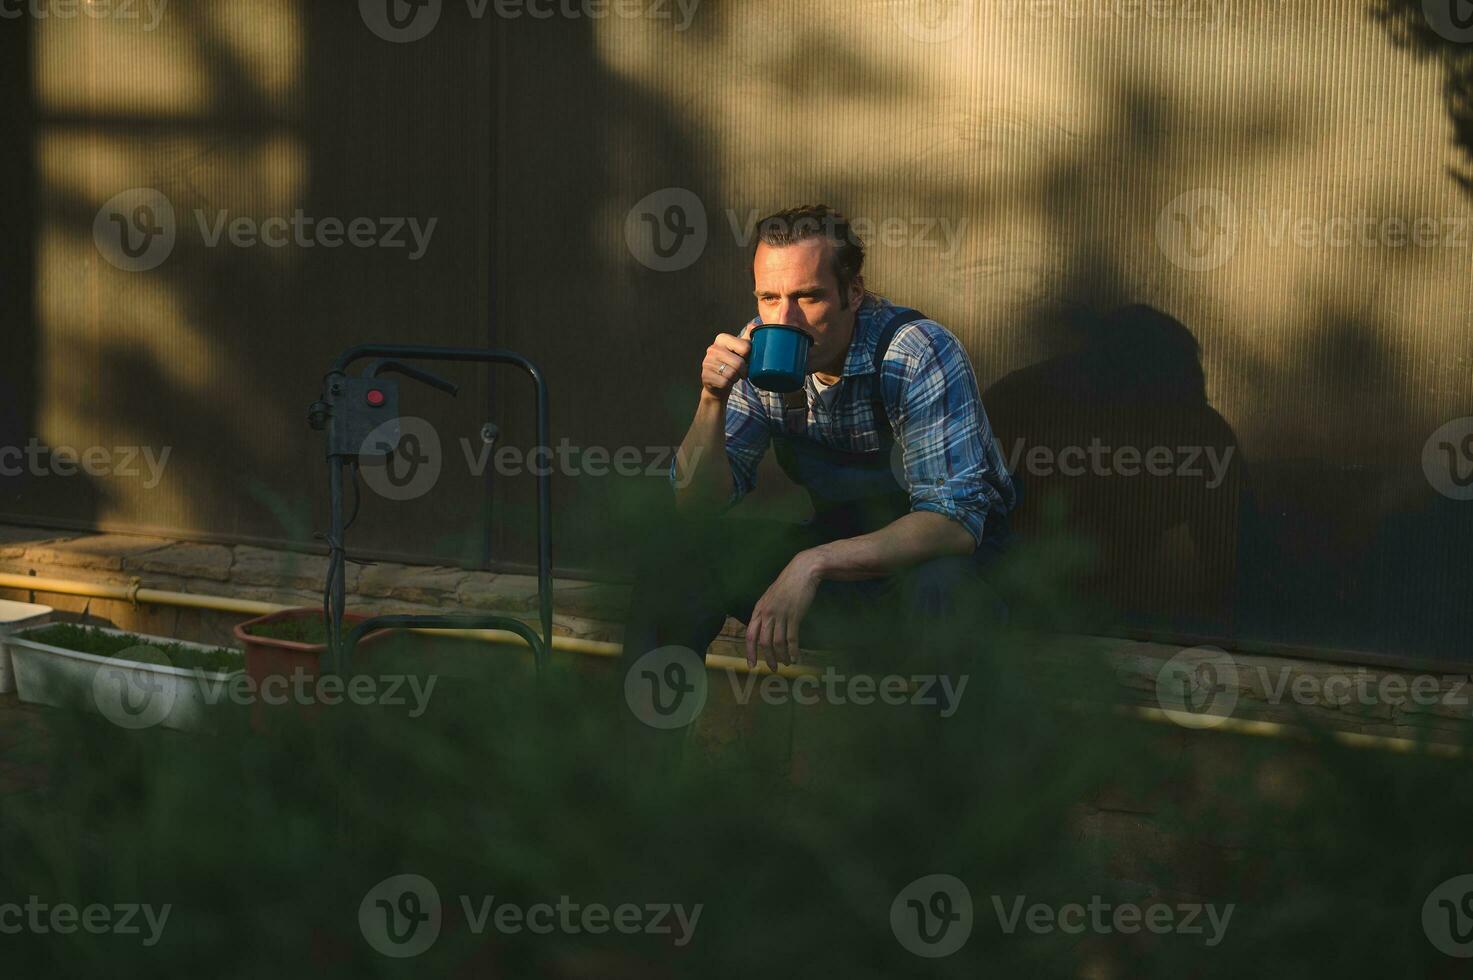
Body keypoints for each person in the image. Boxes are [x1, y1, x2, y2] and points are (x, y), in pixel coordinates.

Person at [622, 204, 1018, 674]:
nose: (785, 319)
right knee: (679, 557)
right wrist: (711, 401)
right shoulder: (755, 348)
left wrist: (813, 563)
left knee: (943, 588)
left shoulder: (915, 353)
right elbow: (697, 505)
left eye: (808, 297)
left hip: (937, 572)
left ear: (853, 292)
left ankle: (939, 744)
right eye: (769, 297)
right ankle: (641, 743)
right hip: (838, 564)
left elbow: (953, 522)